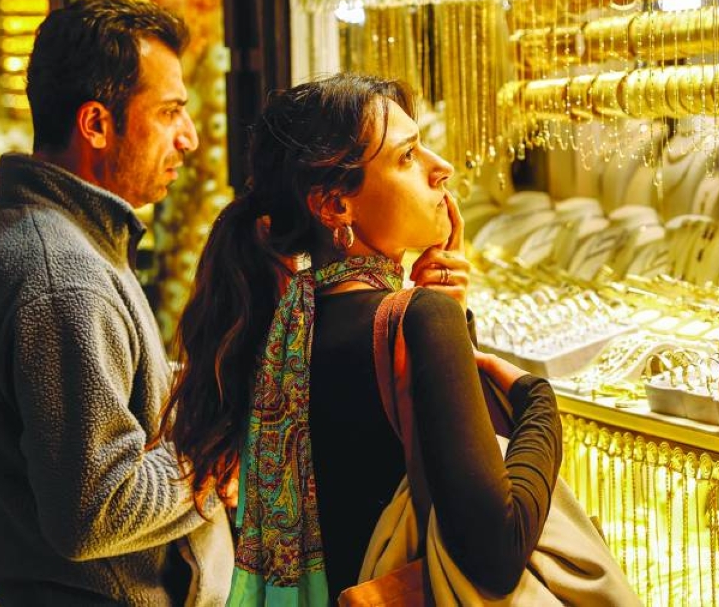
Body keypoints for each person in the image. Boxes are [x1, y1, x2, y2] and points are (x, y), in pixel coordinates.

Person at [160, 74, 563, 604]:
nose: (440, 168)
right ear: (334, 208)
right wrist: (540, 403)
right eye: (407, 157)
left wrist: (450, 316)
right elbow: (495, 555)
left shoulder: (282, 325)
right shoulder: (419, 321)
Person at [0, 0, 233, 606]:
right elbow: (96, 508)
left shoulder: (52, 236)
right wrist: (213, 461)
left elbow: (118, 398)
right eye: (171, 111)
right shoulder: (59, 276)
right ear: (96, 124)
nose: (189, 138)